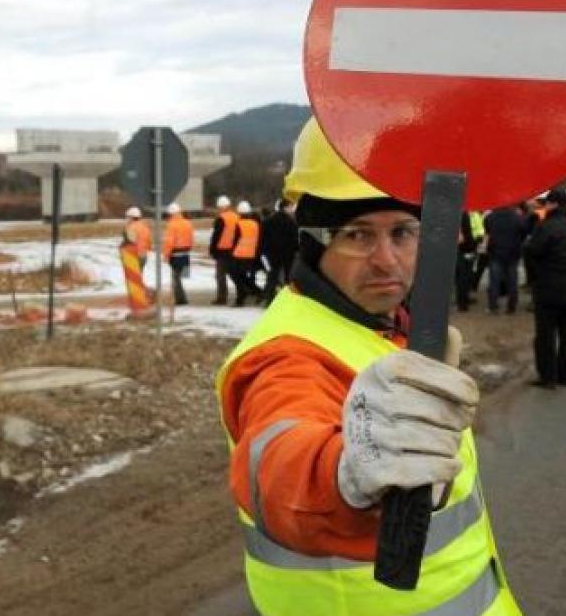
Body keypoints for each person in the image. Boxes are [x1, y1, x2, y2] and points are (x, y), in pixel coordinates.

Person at [215, 119, 520, 616]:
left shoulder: (386, 326)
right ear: (312, 243)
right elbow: (281, 462)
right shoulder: (284, 354)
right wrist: (346, 476)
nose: (387, 260)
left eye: (402, 232)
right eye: (357, 235)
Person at [524, 189, 566, 389]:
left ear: (553, 204)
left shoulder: (545, 228)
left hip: (549, 288)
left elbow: (532, 252)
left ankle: (548, 377)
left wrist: (535, 278)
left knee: (546, 335)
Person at [483, 204, 528, 314]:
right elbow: (524, 233)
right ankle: (511, 306)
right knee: (512, 280)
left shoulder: (489, 217)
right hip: (513, 253)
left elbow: (488, 233)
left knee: (494, 281)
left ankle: (493, 307)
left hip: (495, 252)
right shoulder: (518, 217)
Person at [259, 198, 298, 303]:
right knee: (288, 277)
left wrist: (262, 251)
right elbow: (295, 239)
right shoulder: (291, 222)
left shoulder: (268, 221)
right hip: (287, 254)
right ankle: (288, 300)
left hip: (272, 254)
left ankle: (269, 299)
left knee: (272, 276)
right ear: (285, 207)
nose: (292, 209)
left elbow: (262, 238)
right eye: (290, 206)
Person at [229, 200, 263, 307]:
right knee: (243, 277)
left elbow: (235, 240)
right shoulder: (256, 224)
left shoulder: (239, 224)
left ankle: (243, 297)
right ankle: (257, 292)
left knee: (237, 277)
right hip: (251, 255)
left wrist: (231, 252)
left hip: (239, 254)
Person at [208, 195, 239, 305]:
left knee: (220, 275)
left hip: (222, 250)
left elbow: (216, 236)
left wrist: (212, 249)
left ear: (221, 207)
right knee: (235, 273)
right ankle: (242, 293)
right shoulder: (236, 217)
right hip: (234, 250)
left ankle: (222, 297)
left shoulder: (221, 219)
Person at [162, 202, 194, 306]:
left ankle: (181, 299)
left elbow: (169, 242)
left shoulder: (171, 225)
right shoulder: (188, 223)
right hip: (186, 254)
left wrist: (166, 255)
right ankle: (181, 298)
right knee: (181, 276)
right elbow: (191, 239)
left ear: (170, 214)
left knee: (175, 278)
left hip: (175, 254)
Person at [454, 211, 479, 312]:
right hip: (469, 249)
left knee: (461, 279)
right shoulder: (466, 214)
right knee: (465, 278)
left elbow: (460, 238)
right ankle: (464, 303)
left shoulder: (460, 214)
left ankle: (462, 304)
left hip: (462, 250)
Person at [122, 206, 152, 271]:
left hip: (134, 256)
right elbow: (149, 242)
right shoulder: (145, 227)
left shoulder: (131, 228)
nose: (126, 219)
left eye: (127, 217)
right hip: (143, 255)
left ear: (131, 217)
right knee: (139, 276)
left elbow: (130, 243)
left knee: (133, 279)